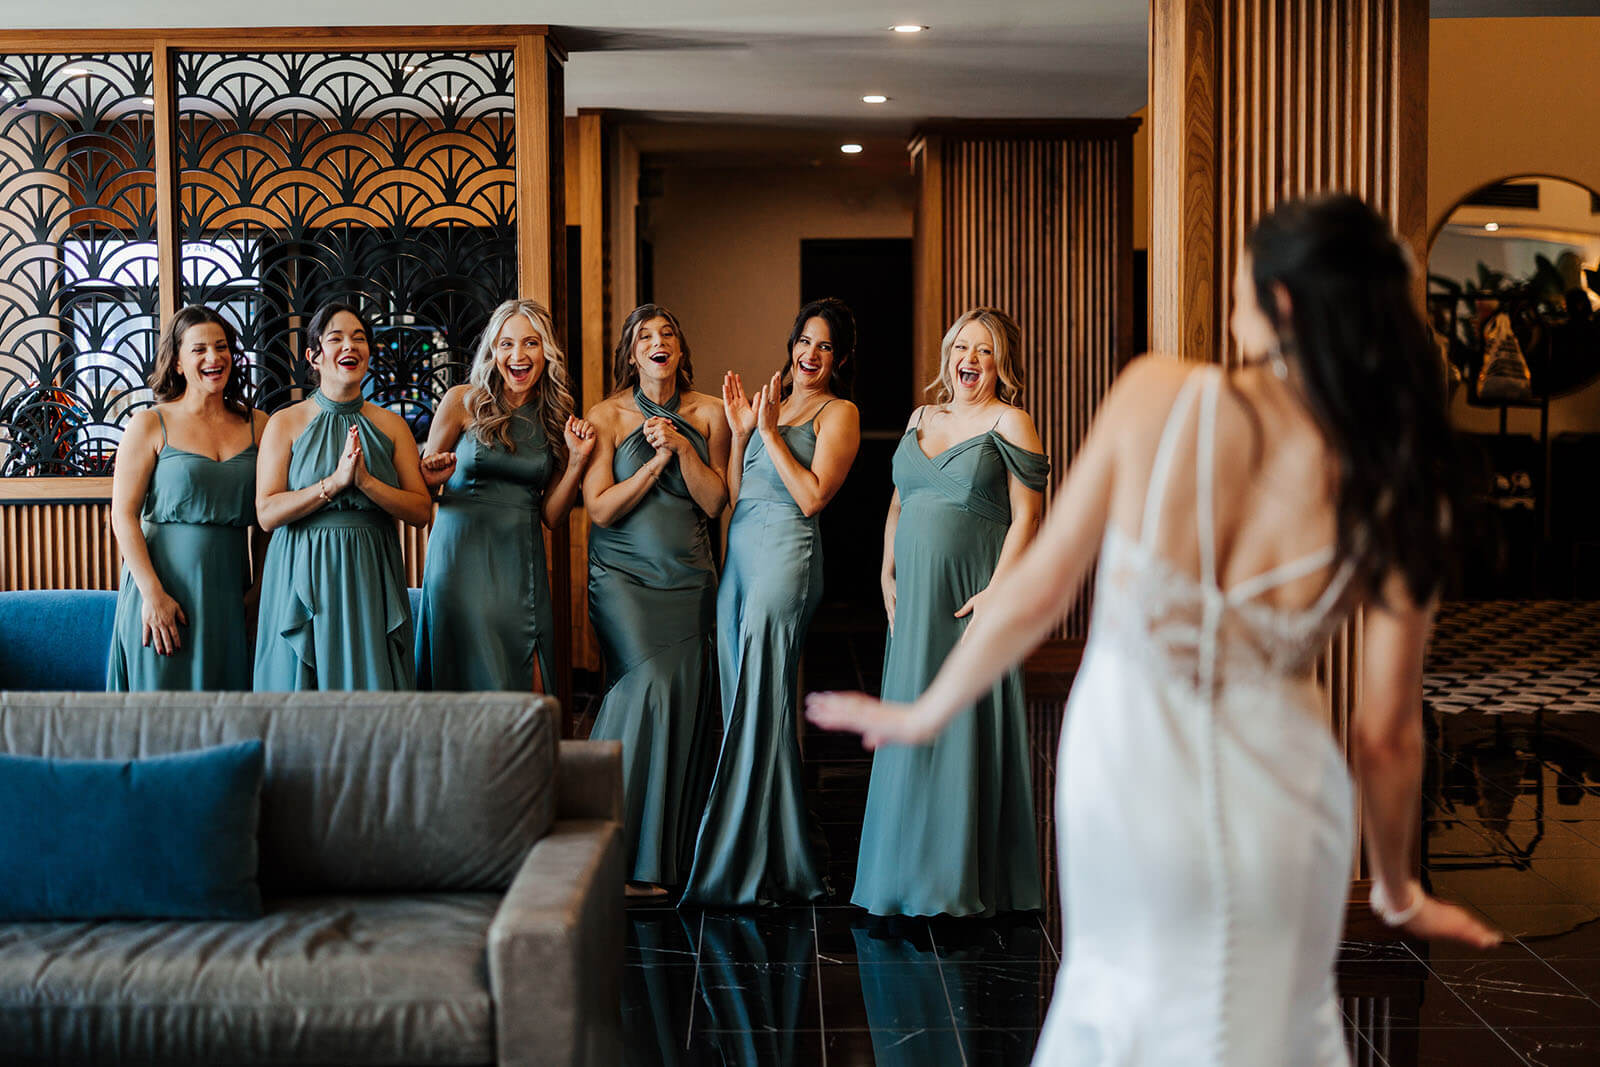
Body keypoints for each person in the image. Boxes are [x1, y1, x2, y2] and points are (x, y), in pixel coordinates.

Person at [809, 194, 1502, 1066]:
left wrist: (921, 712)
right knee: (1266, 1019)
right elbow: (1389, 736)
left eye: (1245, 280)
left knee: (1121, 998)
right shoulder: (1402, 467)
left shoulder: (1156, 392)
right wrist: (1397, 886)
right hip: (1285, 791)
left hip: (1130, 770)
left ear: (1281, 302)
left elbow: (1037, 586)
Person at [851, 307, 1048, 918]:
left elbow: (1030, 517)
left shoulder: (1010, 421)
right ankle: (901, 872)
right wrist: (886, 569)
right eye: (962, 347)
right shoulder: (921, 417)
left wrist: (996, 592)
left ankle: (958, 877)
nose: (970, 359)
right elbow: (899, 503)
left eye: (985, 351)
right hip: (911, 597)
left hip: (970, 596)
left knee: (963, 721)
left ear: (1001, 364)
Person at [680, 298, 862, 907]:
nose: (810, 354)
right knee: (745, 700)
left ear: (839, 358)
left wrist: (769, 434)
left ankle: (741, 853)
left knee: (764, 691)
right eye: (804, 341)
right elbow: (738, 491)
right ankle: (779, 846)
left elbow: (810, 497)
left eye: (825, 347)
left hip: (787, 553)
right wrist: (740, 434)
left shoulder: (840, 413)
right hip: (741, 557)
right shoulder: (772, 407)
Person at [583, 304, 729, 895]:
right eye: (645, 336)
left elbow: (716, 502)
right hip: (621, 577)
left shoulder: (710, 413)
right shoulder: (606, 415)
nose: (658, 342)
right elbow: (598, 508)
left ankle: (665, 856)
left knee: (683, 700)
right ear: (631, 353)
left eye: (668, 332)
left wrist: (682, 448)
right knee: (647, 687)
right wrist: (653, 466)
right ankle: (604, 849)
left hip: (689, 575)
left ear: (681, 349)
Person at [414, 299, 595, 692]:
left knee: (527, 687)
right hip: (459, 557)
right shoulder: (462, 401)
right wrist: (431, 475)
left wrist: (578, 463)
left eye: (530, 343)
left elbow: (552, 515)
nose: (518, 355)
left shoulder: (556, 416)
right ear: (493, 351)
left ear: (545, 353)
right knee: (461, 682)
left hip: (519, 563)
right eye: (506, 344)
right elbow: (420, 484)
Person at [253, 302, 433, 690]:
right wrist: (333, 484)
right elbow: (266, 512)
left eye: (359, 338)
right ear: (314, 355)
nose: (349, 346)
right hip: (301, 566)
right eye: (335, 338)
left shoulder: (392, 425)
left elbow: (420, 510)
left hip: (370, 567)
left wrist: (366, 482)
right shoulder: (285, 422)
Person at [107, 305, 267, 691]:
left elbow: (267, 519)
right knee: (158, 713)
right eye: (199, 350)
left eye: (222, 347)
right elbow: (123, 516)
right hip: (161, 590)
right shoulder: (149, 424)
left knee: (225, 714)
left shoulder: (259, 425)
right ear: (177, 362)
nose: (214, 358)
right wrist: (152, 594)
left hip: (229, 594)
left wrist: (259, 592)